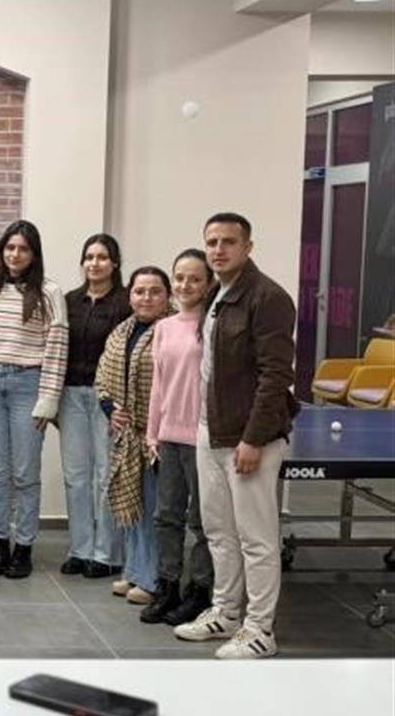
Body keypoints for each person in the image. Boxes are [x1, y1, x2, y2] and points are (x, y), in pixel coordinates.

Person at [174, 212, 297, 659]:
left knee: (256, 539)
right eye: (212, 242)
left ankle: (260, 630)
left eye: (228, 241)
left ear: (248, 247)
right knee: (219, 531)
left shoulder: (268, 298)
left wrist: (253, 439)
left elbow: (276, 375)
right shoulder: (216, 295)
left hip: (250, 439)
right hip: (212, 432)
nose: (218, 249)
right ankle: (225, 613)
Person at [0, 219, 68, 579]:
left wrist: (49, 398)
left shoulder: (49, 291)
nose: (15, 255)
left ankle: (24, 547)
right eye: (10, 248)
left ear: (34, 254)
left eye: (23, 249)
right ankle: (0, 543)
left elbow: (57, 347)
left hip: (27, 384)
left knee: (25, 473)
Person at [139, 249, 215, 625]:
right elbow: (159, 385)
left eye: (195, 279)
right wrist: (153, 432)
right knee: (165, 516)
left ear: (208, 284)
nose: (186, 285)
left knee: (200, 522)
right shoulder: (164, 327)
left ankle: (199, 591)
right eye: (180, 278)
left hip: (202, 438)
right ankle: (167, 584)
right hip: (168, 437)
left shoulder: (213, 324)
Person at [95, 267, 172, 607]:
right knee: (133, 506)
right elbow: (102, 376)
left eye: (155, 291)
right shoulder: (121, 332)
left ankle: (151, 578)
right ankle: (134, 569)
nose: (147, 298)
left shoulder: (171, 330)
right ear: (130, 296)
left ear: (167, 296)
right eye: (140, 291)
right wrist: (110, 407)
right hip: (126, 435)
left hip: (157, 436)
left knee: (153, 509)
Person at [59, 234, 131, 579]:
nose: (94, 263)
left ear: (114, 263)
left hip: (109, 400)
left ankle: (107, 554)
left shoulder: (126, 302)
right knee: (76, 476)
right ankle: (80, 549)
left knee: (106, 476)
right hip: (71, 395)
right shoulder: (69, 302)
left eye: (102, 257)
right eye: (89, 257)